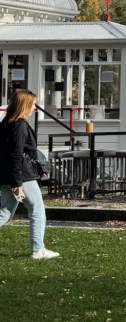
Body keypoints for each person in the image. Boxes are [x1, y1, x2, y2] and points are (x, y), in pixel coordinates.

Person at [0, 89, 58, 259]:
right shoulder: (19, 125)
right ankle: (38, 250)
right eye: (33, 104)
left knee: (5, 213)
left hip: (8, 175)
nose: (34, 108)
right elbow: (16, 155)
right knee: (37, 209)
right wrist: (17, 183)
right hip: (22, 177)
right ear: (24, 105)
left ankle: (38, 249)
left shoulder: (6, 124)